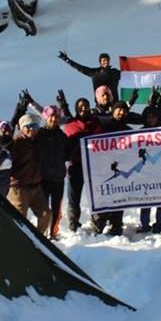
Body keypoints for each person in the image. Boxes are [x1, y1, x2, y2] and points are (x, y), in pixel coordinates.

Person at [7, 113, 54, 235]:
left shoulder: (38, 141)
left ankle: (39, 240)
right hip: (19, 187)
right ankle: (19, 242)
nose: (32, 129)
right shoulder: (16, 143)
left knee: (46, 214)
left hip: (36, 186)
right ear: (22, 128)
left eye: (35, 126)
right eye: (28, 126)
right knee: (19, 219)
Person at [91, 101, 133, 235]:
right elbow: (93, 143)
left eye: (124, 111)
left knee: (119, 198)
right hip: (103, 169)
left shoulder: (128, 130)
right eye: (118, 110)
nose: (121, 113)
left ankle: (116, 225)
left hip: (121, 170)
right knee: (104, 197)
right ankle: (99, 225)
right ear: (113, 111)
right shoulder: (103, 126)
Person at [63, 96, 102, 232]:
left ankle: (97, 223)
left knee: (95, 196)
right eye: (80, 106)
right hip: (76, 165)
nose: (83, 108)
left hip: (93, 165)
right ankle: (73, 223)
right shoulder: (70, 124)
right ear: (76, 109)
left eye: (85, 105)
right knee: (74, 197)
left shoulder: (96, 123)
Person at [36, 105, 69, 238]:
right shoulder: (39, 134)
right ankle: (41, 233)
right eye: (51, 116)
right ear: (46, 117)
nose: (54, 119)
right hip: (43, 177)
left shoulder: (62, 136)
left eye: (56, 117)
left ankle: (53, 233)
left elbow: (67, 154)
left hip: (58, 178)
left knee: (56, 209)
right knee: (43, 209)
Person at [137, 105, 161, 234]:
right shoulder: (139, 133)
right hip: (146, 171)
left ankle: (160, 223)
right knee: (145, 198)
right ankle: (145, 224)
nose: (151, 119)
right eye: (148, 117)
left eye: (153, 117)